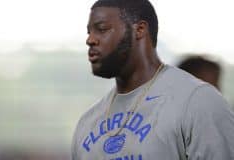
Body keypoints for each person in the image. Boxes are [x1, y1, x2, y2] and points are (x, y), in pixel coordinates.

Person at [71, 0, 234, 159]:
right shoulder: (88, 122)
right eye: (89, 32)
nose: (90, 40)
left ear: (140, 29)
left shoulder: (197, 101)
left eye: (102, 29)